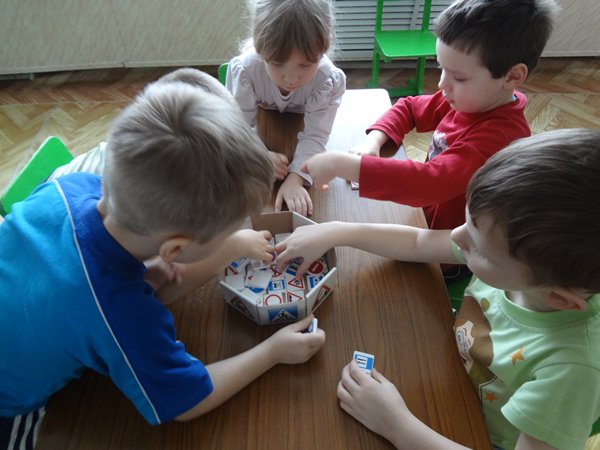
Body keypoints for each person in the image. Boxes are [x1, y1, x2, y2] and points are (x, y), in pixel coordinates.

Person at [0, 68, 326, 450]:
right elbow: (187, 401)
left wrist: (229, 245)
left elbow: (97, 267)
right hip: (10, 406)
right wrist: (271, 352)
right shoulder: (120, 314)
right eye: (226, 232)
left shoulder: (72, 184)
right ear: (175, 250)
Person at [274, 128, 600, 450]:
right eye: (467, 223)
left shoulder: (573, 370)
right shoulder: (510, 255)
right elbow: (419, 242)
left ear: (560, 298)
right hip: (453, 377)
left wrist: (397, 425)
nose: (457, 237)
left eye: (478, 248)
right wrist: (336, 231)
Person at [301, 0, 558, 279]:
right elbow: (409, 107)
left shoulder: (499, 138)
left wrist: (345, 166)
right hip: (424, 222)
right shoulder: (470, 100)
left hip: (450, 254)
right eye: (441, 68)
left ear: (513, 76)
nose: (442, 84)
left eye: (459, 77)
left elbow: (430, 183)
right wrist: (373, 141)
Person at [225, 0, 346, 217]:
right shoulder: (246, 70)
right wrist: (258, 155)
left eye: (305, 65)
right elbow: (237, 126)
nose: (290, 79)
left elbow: (316, 135)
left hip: (299, 126)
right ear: (261, 51)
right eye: (277, 63)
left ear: (322, 52)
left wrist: (296, 177)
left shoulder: (326, 79)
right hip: (266, 123)